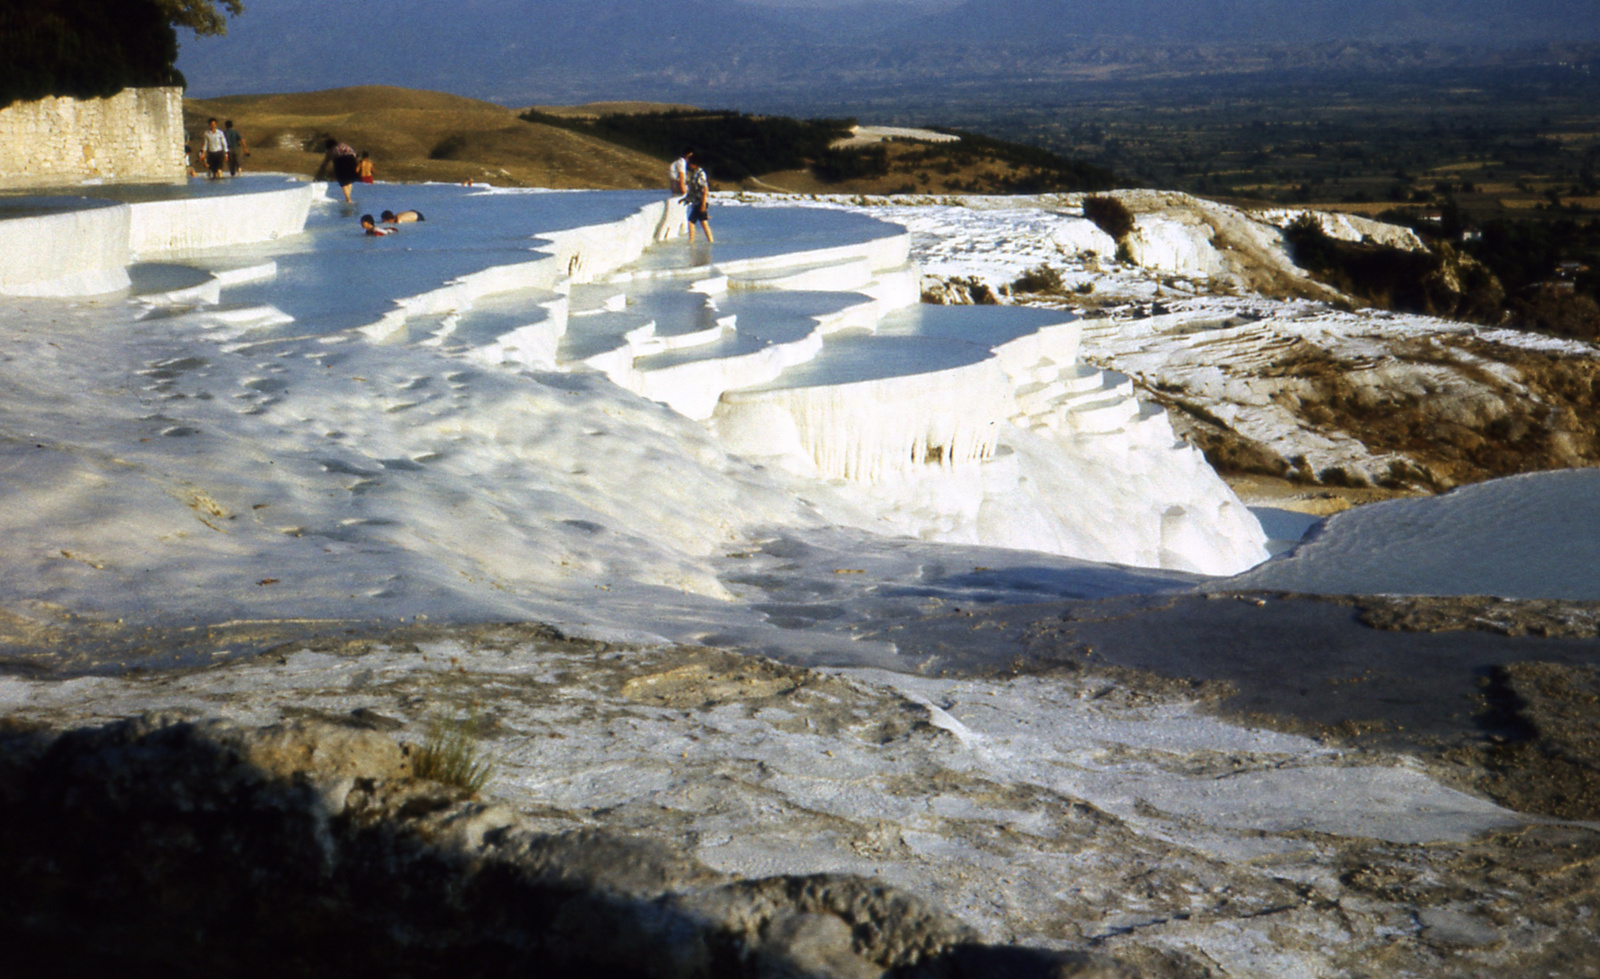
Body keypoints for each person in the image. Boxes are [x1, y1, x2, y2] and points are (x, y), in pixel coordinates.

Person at [315, 138, 361, 204]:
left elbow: (326, 162)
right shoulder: (343, 145)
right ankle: (348, 197)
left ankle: (348, 198)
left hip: (339, 162)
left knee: (343, 182)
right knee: (349, 180)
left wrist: (320, 171)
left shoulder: (331, 150)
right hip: (350, 160)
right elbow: (353, 153)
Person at [682, 157, 713, 244]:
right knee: (702, 223)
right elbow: (692, 189)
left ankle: (691, 241)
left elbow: (705, 189)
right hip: (697, 202)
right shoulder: (694, 174)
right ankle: (709, 241)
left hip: (700, 201)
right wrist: (686, 199)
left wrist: (703, 204)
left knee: (692, 221)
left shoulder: (700, 174)